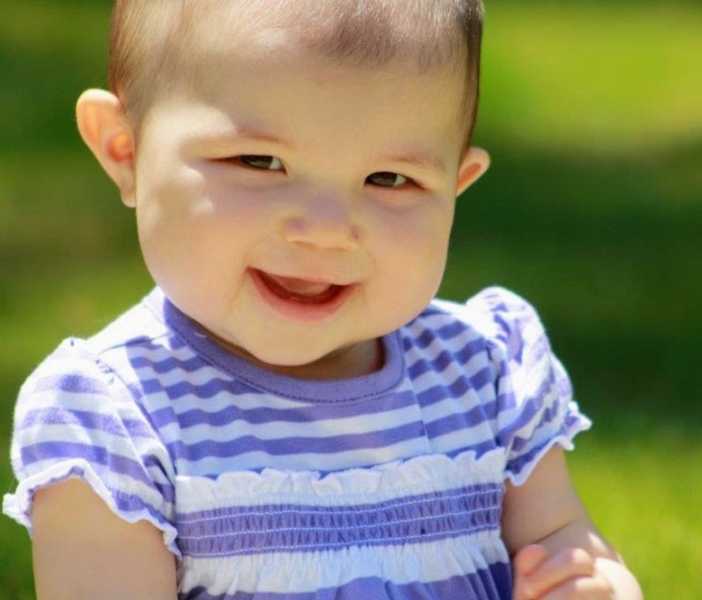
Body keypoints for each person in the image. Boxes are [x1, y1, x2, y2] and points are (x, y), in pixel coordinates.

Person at [3, 1, 643, 598]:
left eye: (388, 179)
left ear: (456, 184)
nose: (326, 228)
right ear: (126, 150)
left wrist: (593, 581)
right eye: (259, 162)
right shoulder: (115, 417)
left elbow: (562, 545)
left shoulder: (483, 374)